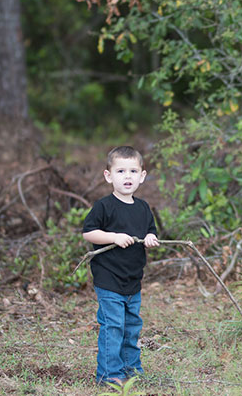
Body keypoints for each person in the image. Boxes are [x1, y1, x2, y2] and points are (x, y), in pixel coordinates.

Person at [82, 146, 160, 384]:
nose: (127, 176)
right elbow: (89, 233)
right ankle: (109, 375)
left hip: (133, 280)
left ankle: (131, 369)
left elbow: (151, 232)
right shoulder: (104, 206)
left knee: (132, 327)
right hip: (109, 279)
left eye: (133, 171)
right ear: (109, 176)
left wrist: (149, 239)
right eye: (121, 171)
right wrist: (113, 237)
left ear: (142, 176)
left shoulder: (143, 207)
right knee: (113, 326)